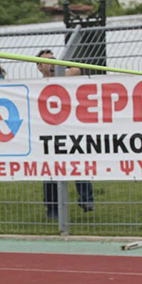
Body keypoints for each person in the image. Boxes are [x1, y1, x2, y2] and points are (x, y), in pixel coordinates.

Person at [37, 49, 94, 219]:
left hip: (70, 131)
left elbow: (76, 70)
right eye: (47, 61)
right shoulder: (37, 84)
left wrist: (59, 71)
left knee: (78, 164)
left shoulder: (64, 76)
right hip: (49, 134)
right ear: (39, 67)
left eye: (53, 59)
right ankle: (53, 209)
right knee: (51, 172)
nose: (52, 62)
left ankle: (87, 200)